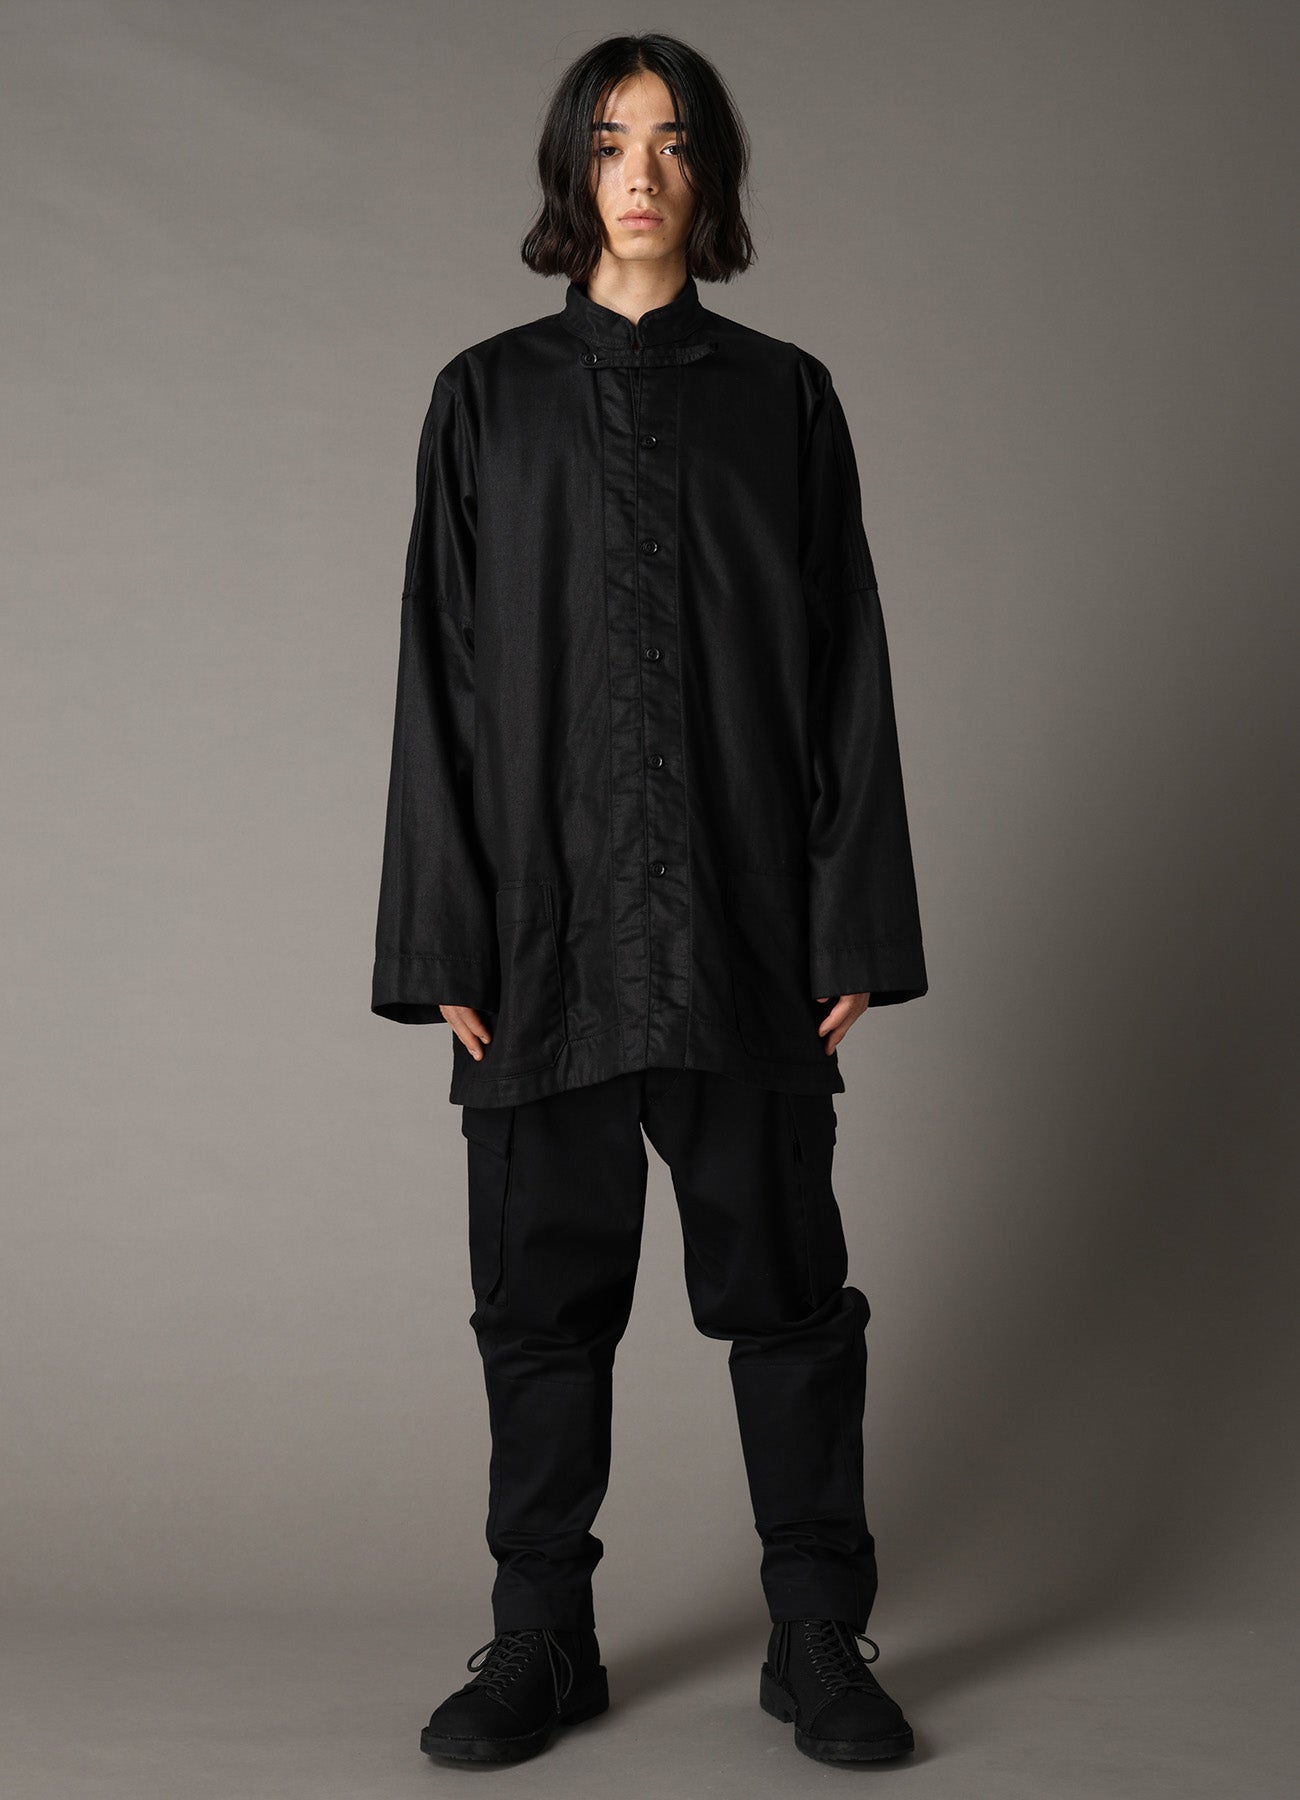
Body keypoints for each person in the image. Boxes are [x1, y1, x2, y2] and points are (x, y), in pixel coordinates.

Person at [371, 32, 928, 1768]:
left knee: (791, 1301)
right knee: (540, 1314)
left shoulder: (786, 399)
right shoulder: (485, 399)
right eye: (610, 141)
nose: (641, 172)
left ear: (712, 176)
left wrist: (851, 923)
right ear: (571, 170)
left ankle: (817, 1633)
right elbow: (440, 674)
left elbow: (845, 665)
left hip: (746, 932)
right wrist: (444, 938)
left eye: (674, 141)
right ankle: (542, 1639)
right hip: (538, 941)